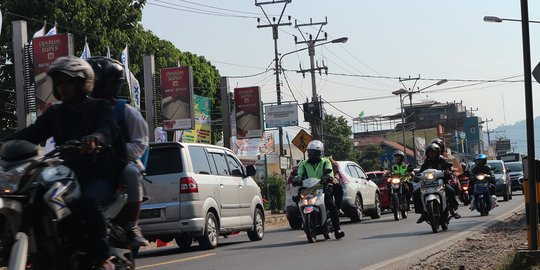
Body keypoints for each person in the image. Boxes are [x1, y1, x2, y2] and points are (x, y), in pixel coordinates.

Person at [1, 56, 119, 269]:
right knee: (32, 197)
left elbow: (107, 130)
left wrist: (96, 139)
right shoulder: (55, 113)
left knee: (88, 202)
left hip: (96, 175)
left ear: (83, 83)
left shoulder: (100, 107)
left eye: (68, 82)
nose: (62, 87)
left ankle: (103, 257)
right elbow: (31, 134)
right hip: (65, 174)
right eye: (59, 83)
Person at [87, 56, 150, 246]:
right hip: (91, 163)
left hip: (122, 162)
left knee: (132, 173)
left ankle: (133, 225)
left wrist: (113, 150)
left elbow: (140, 144)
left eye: (96, 78)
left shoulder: (126, 111)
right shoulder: (84, 109)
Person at [294, 140, 345, 239]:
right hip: (309, 188)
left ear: (320, 153)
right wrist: (298, 180)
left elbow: (329, 172)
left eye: (314, 152)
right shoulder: (303, 163)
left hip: (323, 187)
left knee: (331, 205)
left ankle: (337, 230)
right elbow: (299, 174)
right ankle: (303, 220)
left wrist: (327, 177)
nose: (311, 154)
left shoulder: (325, 161)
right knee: (298, 199)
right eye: (310, 152)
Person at [412, 143, 461, 223]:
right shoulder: (426, 163)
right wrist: (415, 177)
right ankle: (422, 213)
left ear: (437, 153)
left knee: (451, 191)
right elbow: (420, 172)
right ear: (427, 153)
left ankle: (452, 210)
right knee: (415, 193)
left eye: (433, 152)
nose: (431, 154)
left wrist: (448, 171)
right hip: (427, 184)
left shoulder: (442, 160)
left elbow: (449, 167)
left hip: (441, 182)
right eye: (430, 152)